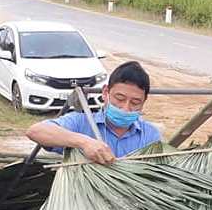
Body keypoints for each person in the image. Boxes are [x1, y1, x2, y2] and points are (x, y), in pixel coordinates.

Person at [25, 61, 161, 164]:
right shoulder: (80, 123)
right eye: (119, 99)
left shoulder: (150, 135)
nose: (125, 108)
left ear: (144, 101)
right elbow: (35, 131)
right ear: (105, 93)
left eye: (135, 103)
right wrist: (84, 142)